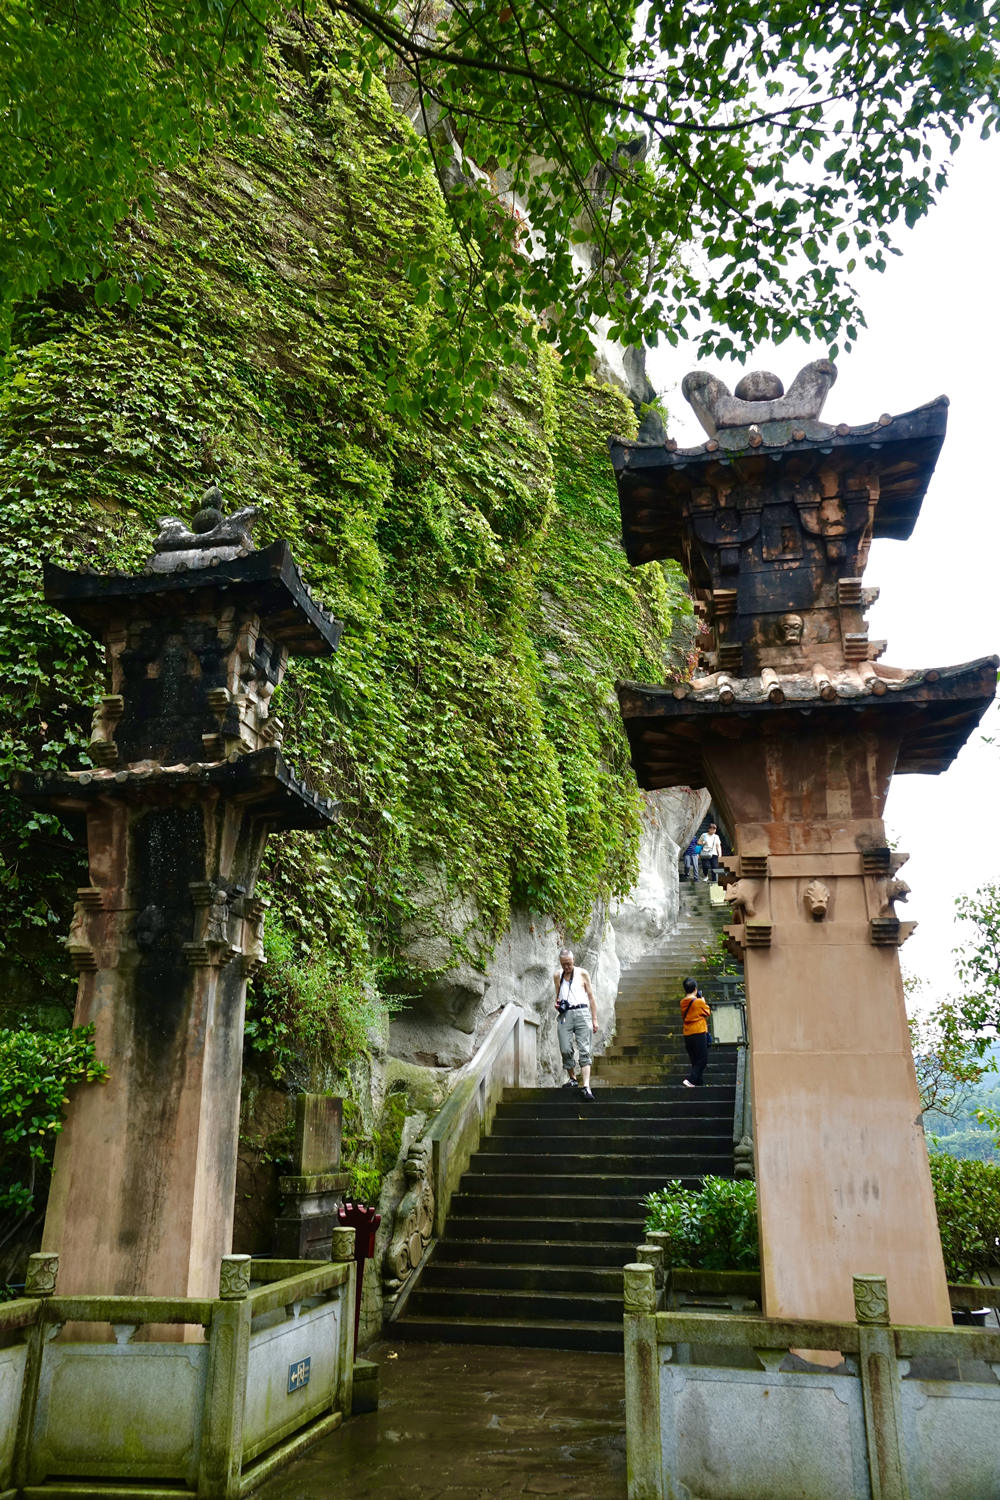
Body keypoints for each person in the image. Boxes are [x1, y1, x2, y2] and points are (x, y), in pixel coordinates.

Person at [553, 947, 599, 1101]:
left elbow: (591, 997)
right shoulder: (557, 975)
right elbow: (558, 996)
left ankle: (586, 1086)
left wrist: (594, 1019)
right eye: (564, 964)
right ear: (560, 963)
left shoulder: (582, 973)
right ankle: (572, 1078)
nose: (567, 967)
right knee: (565, 1048)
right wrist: (557, 1004)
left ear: (573, 960)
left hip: (582, 1012)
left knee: (584, 1049)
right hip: (565, 1015)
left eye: (569, 963)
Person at [680, 977, 711, 1087]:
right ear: (695, 989)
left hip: (688, 1034)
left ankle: (698, 1083)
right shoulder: (698, 1002)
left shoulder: (682, 1002)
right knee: (702, 1060)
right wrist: (703, 1001)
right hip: (698, 1032)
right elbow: (707, 1012)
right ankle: (691, 1080)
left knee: (695, 1060)